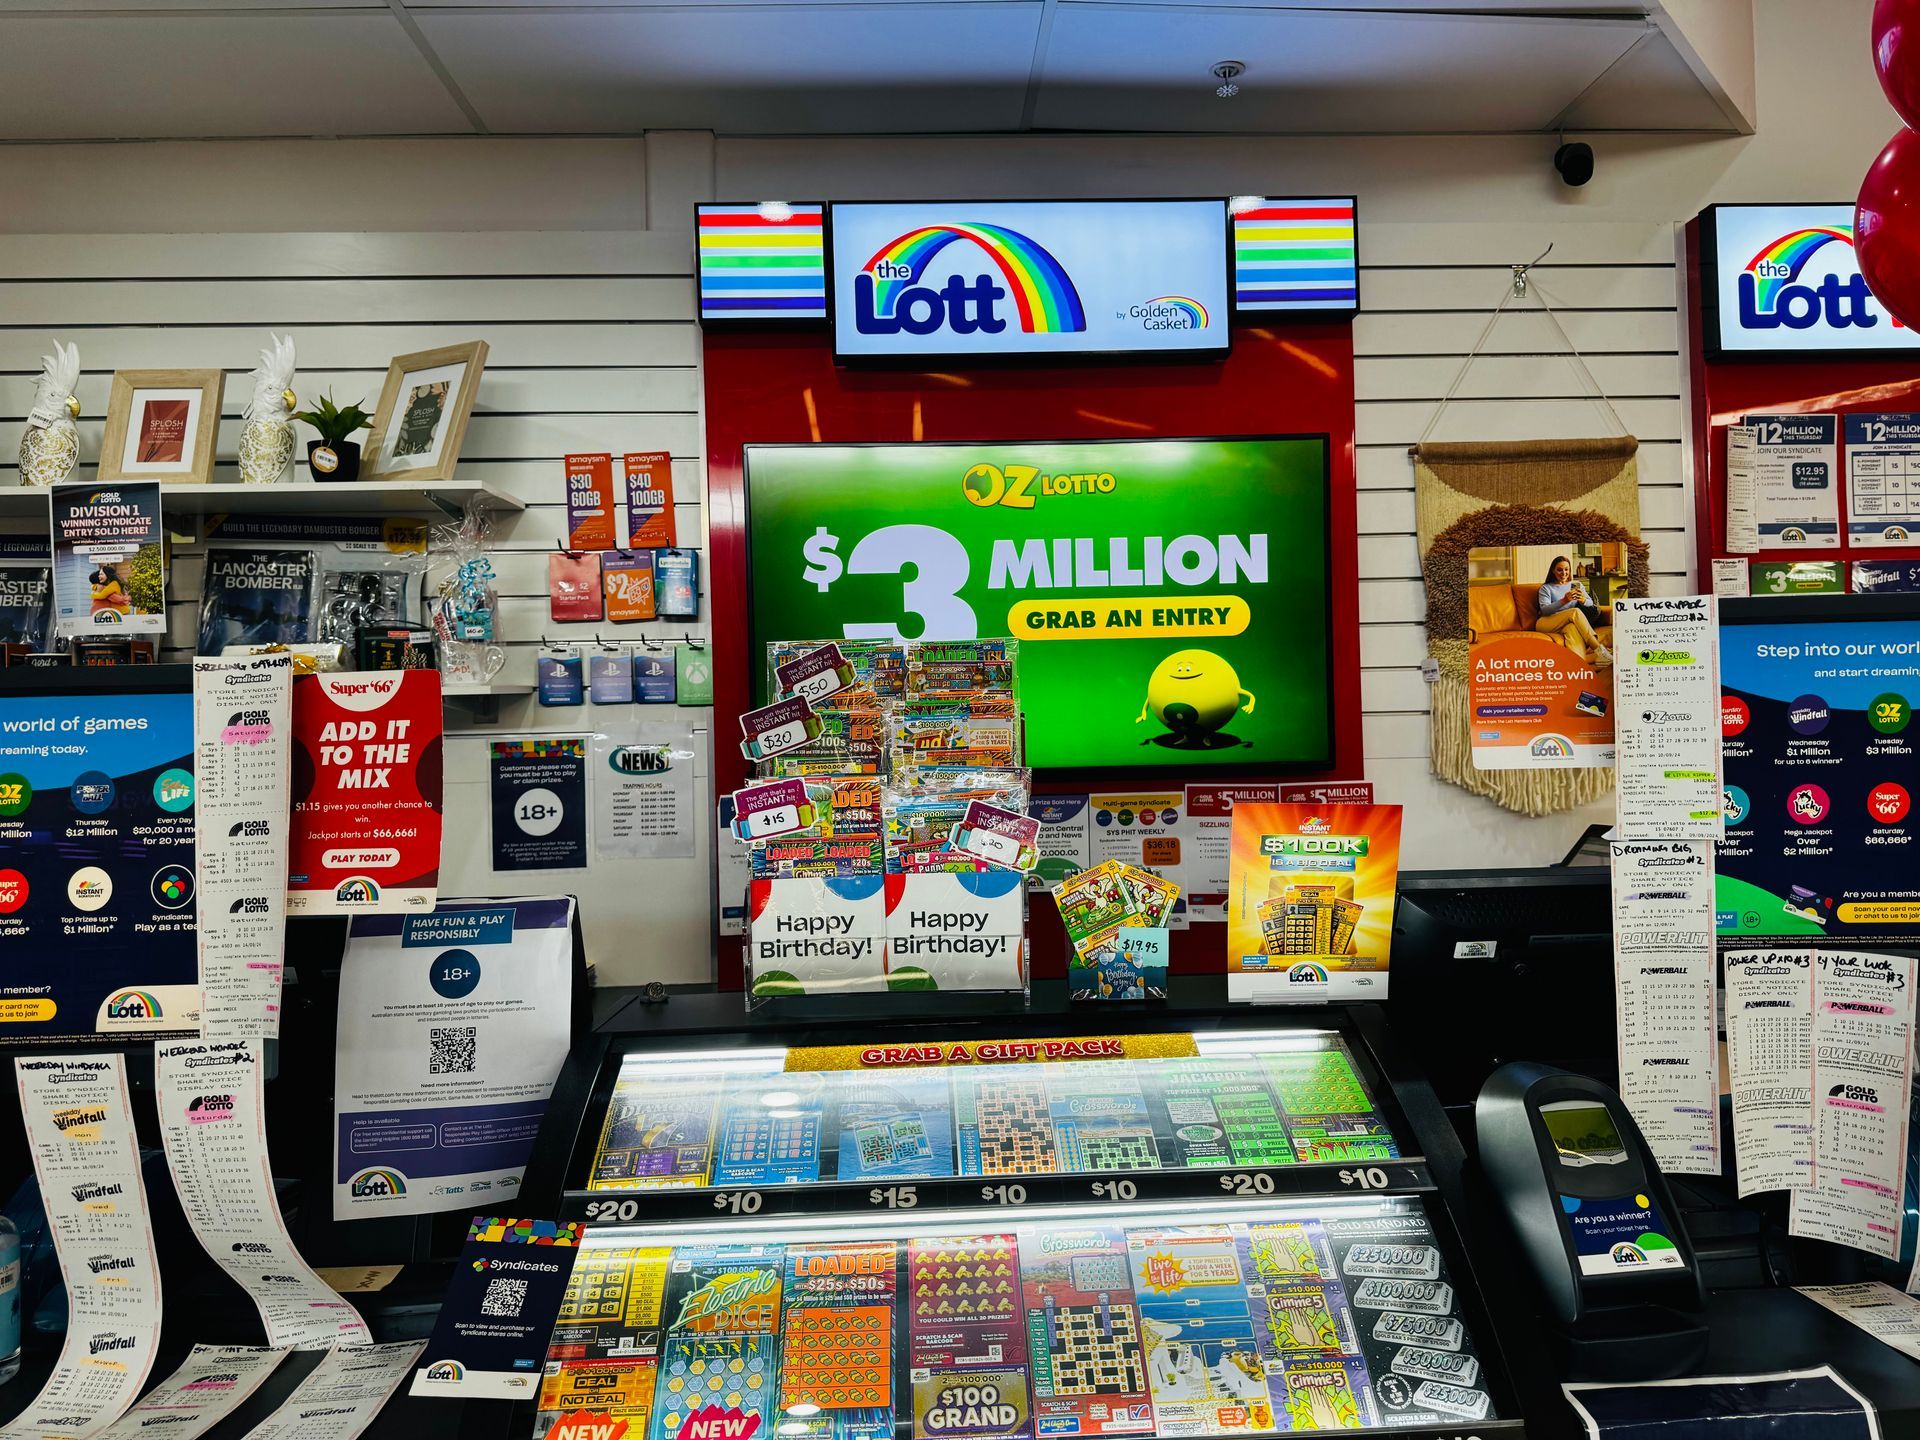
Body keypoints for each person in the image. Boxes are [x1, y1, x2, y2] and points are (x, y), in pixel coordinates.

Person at [1534, 555, 1612, 666]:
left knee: (1571, 628)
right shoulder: (1546, 588)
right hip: (1546, 622)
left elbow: (1590, 604)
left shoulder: (1576, 585)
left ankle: (1579, 665)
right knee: (1574, 612)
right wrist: (1564, 600)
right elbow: (1545, 610)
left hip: (1568, 621)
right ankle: (1601, 651)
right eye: (1559, 570)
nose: (1564, 573)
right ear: (1553, 571)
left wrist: (1583, 599)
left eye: (1566, 569)